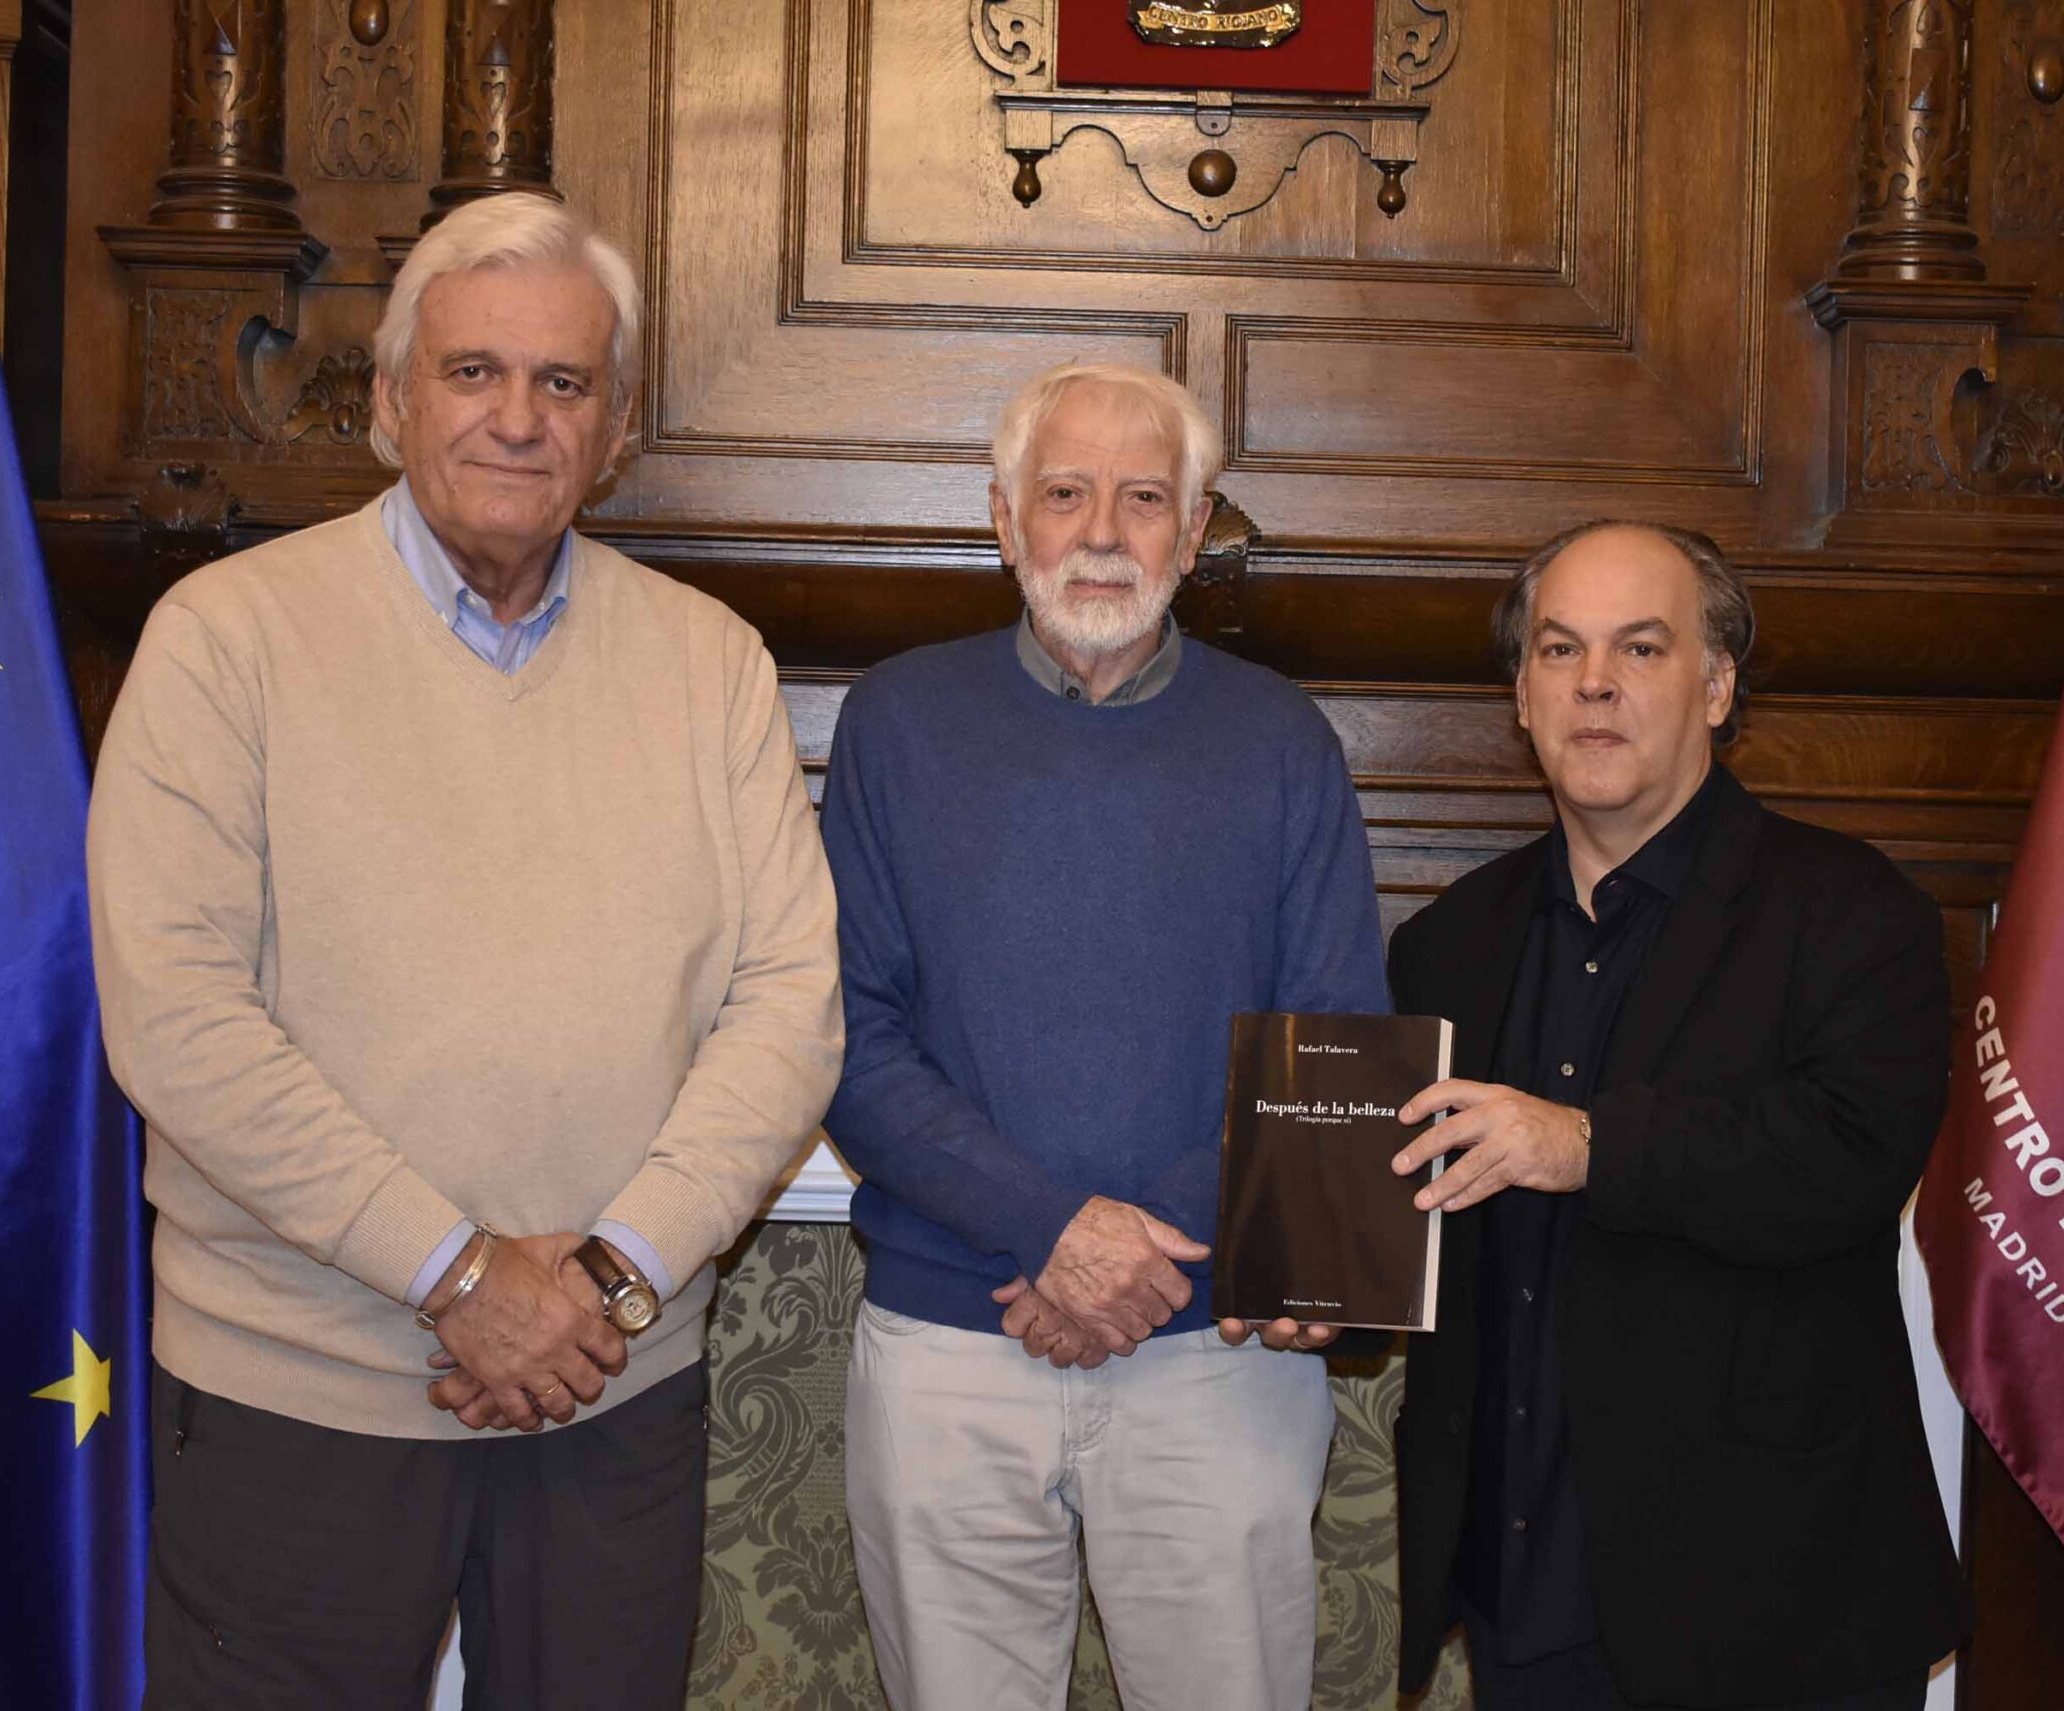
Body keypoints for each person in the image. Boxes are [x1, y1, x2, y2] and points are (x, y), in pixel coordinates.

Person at [85, 192, 842, 1710]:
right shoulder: (224, 638)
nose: (517, 418)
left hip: (612, 1390)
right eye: (472, 371)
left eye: (563, 382)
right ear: (388, 401)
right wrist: (456, 1272)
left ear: (614, 429)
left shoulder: (712, 663)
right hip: (300, 1394)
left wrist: (608, 1278)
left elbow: (789, 1009)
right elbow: (177, 1019)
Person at [818, 361, 1389, 1711]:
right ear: (1004, 517)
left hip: (1214, 1354)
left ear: (1192, 535)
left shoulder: (1284, 741)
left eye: (1144, 499)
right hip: (952, 1340)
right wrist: (1048, 1228)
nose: (1101, 533)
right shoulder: (895, 722)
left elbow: (1333, 1044)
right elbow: (845, 1035)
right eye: (1065, 492)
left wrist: (1131, 1250)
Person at [1383, 521, 1966, 1710]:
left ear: (1715, 686)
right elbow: (1421, 1218)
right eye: (1558, 649)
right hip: (1523, 1594)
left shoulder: (1855, 913)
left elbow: (1850, 1160)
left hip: (1774, 1604)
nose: (1593, 682)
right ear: (1521, 694)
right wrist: (1319, 1288)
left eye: (1640, 648)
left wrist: (1586, 1144)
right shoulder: (1448, 943)